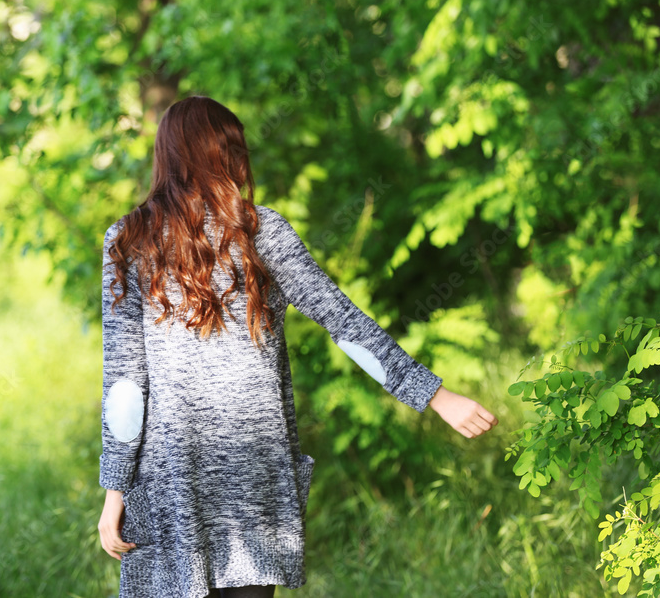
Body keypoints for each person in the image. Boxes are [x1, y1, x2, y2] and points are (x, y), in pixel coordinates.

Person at [96, 96, 497, 598]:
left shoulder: (127, 241)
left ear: (166, 157)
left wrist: (115, 492)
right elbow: (345, 324)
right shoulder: (259, 232)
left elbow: (126, 384)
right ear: (227, 154)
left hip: (168, 481)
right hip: (255, 478)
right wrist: (437, 396)